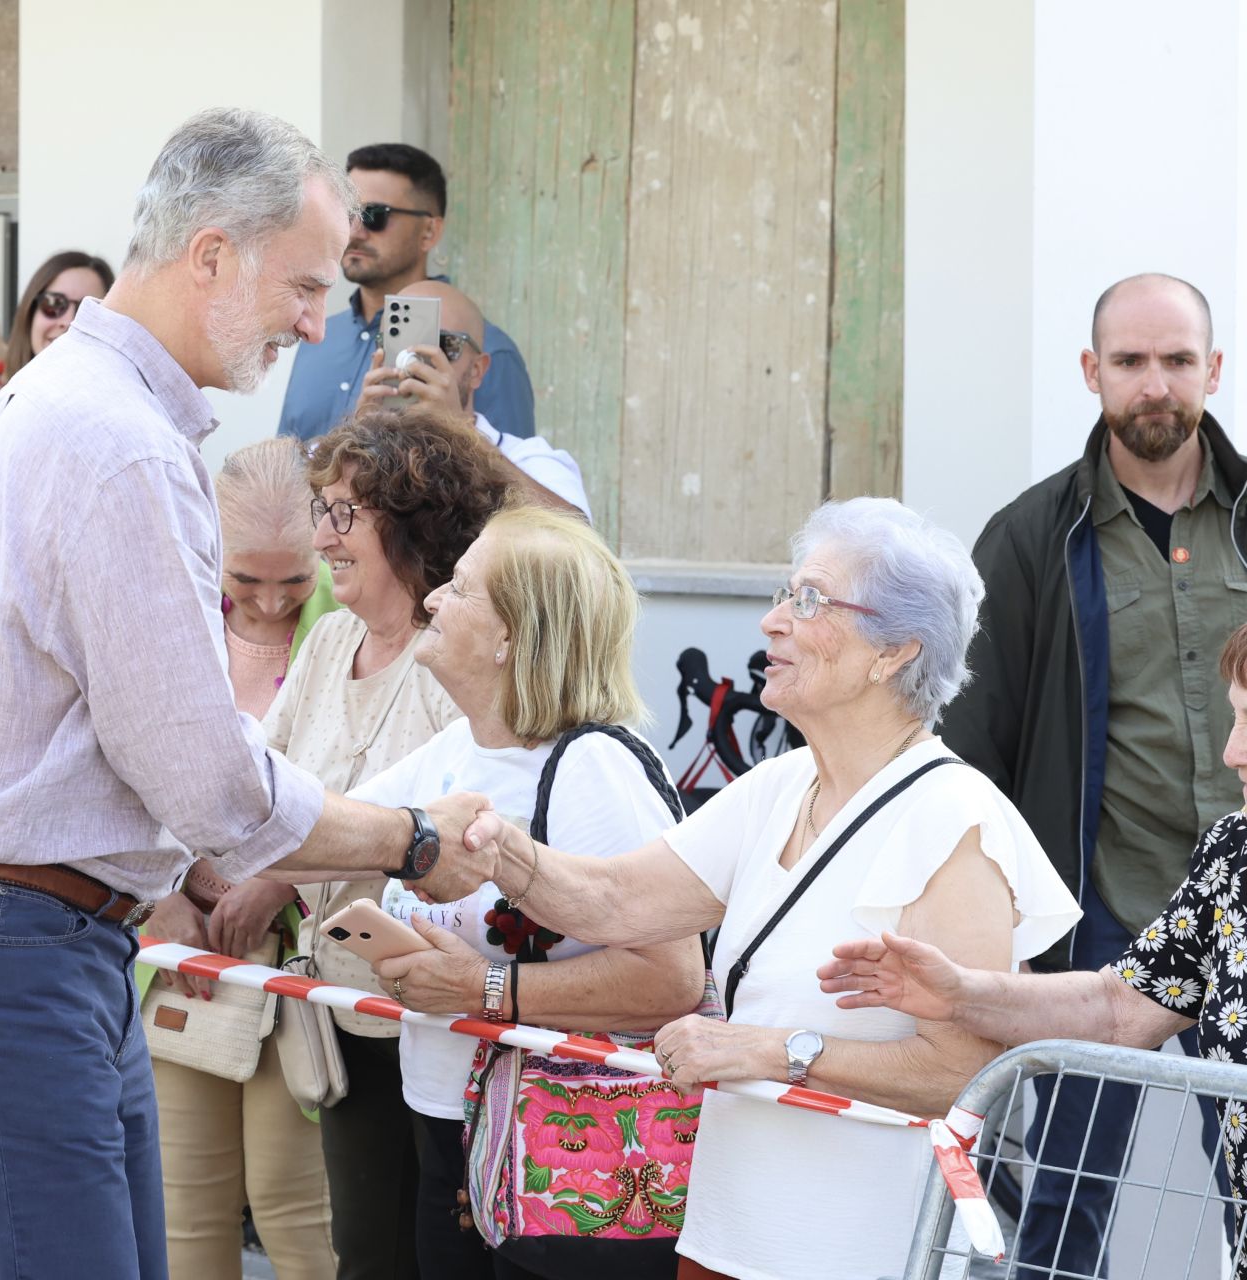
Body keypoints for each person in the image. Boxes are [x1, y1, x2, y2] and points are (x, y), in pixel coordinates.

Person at [0, 107, 491, 1280]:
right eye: (300, 284)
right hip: (7, 949)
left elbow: (134, 753)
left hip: (19, 941)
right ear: (210, 255)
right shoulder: (118, 441)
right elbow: (204, 776)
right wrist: (412, 839)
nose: (313, 320)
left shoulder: (69, 407)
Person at [413, 497, 1082, 1280]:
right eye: (780, 594)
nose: (772, 622)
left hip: (858, 1249)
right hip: (728, 1234)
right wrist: (502, 855)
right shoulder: (784, 781)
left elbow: (962, 1074)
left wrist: (770, 1051)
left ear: (893, 651)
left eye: (808, 601)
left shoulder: (954, 819)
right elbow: (619, 902)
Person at [938, 272, 1246, 1273]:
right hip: (1104, 912)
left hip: (1239, 906)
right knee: (1064, 1201)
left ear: (1214, 367)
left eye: (1175, 360)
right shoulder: (1032, 537)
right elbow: (972, 749)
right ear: (1090, 371)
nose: (1154, 384)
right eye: (1129, 362)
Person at [819, 626, 1247, 1280]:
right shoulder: (1235, 854)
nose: (1231, 752)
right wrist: (964, 994)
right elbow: (1117, 1008)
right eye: (1234, 718)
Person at [365, 505, 705, 1280]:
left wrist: (478, 988)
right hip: (451, 1121)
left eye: (459, 587)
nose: (430, 602)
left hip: (562, 1154)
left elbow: (672, 977)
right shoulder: (457, 749)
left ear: (512, 636)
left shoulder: (592, 769)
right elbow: (325, 828)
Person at [261, 407, 512, 1280]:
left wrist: (302, 856)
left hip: (442, 1008)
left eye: (342, 512)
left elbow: (477, 836)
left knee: (445, 1253)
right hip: (344, 1005)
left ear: (412, 524)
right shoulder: (328, 639)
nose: (321, 535)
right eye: (319, 508)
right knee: (366, 1252)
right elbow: (267, 790)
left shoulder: (458, 660)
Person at [141, 436, 337, 1280]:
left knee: (297, 1208)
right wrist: (164, 894)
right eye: (243, 578)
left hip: (300, 949)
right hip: (180, 946)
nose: (266, 603)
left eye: (294, 580)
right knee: (182, 1205)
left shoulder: (355, 624)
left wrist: (281, 879)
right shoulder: (164, 609)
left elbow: (382, 774)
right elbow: (120, 764)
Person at [278, 143, 534, 442]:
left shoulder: (479, 349)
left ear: (429, 232)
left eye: (375, 215)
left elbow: (509, 482)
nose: (356, 231)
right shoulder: (317, 336)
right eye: (348, 214)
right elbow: (285, 470)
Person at [357, 279, 588, 518]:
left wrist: (460, 435)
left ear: (477, 370)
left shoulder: (529, 459)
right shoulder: (359, 449)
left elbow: (575, 537)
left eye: (444, 345)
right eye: (398, 345)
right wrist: (355, 441)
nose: (417, 364)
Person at [1, 251, 116, 382]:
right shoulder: (4, 398)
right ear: (30, 313)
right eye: (54, 304)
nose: (68, 322)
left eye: (86, 310)